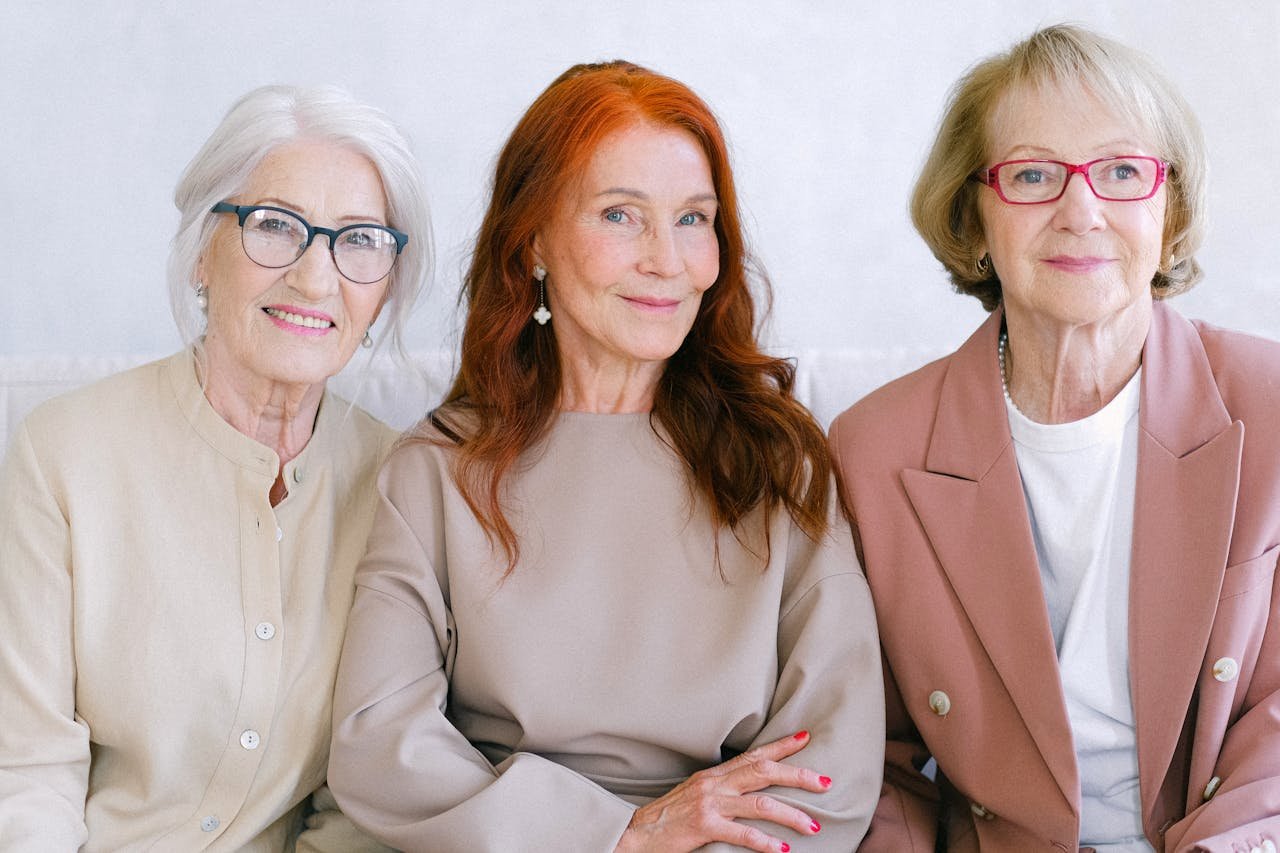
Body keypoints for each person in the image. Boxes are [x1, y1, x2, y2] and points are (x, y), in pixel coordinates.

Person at [328, 60, 883, 852]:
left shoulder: (779, 462)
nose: (666, 258)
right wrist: (619, 835)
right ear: (532, 245)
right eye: (621, 216)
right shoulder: (434, 469)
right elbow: (380, 745)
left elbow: (830, 762)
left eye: (695, 219)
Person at [829, 24, 1280, 853]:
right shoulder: (872, 451)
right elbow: (872, 760)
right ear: (974, 214)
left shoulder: (1273, 406)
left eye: (1120, 172)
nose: (1081, 211)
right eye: (1033, 174)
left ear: (1169, 205)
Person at [0, 84, 430, 851]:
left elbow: (371, 790)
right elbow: (27, 767)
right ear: (203, 249)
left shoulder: (405, 485)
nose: (315, 276)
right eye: (274, 226)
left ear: (386, 286)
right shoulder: (61, 453)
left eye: (358, 239)